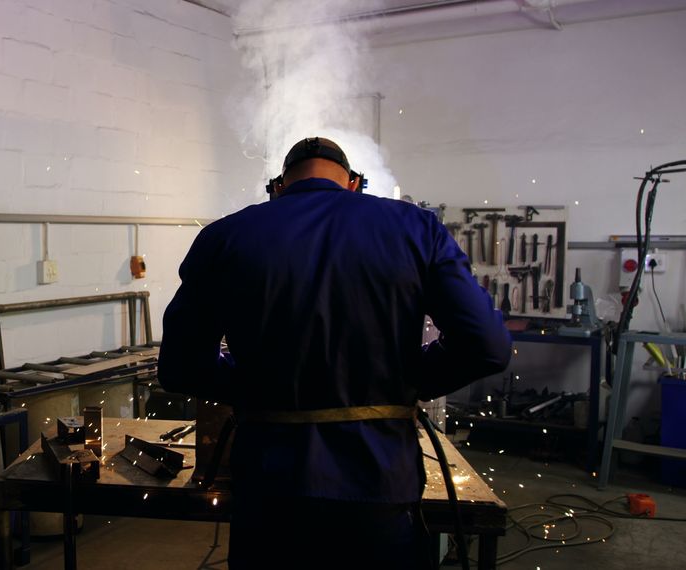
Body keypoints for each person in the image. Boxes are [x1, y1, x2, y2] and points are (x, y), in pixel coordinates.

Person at [157, 137, 511, 568]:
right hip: (379, 485)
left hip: (269, 488)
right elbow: (486, 346)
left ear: (278, 187)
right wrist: (411, 379)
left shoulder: (224, 236)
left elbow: (179, 366)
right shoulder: (416, 228)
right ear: (355, 184)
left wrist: (252, 382)